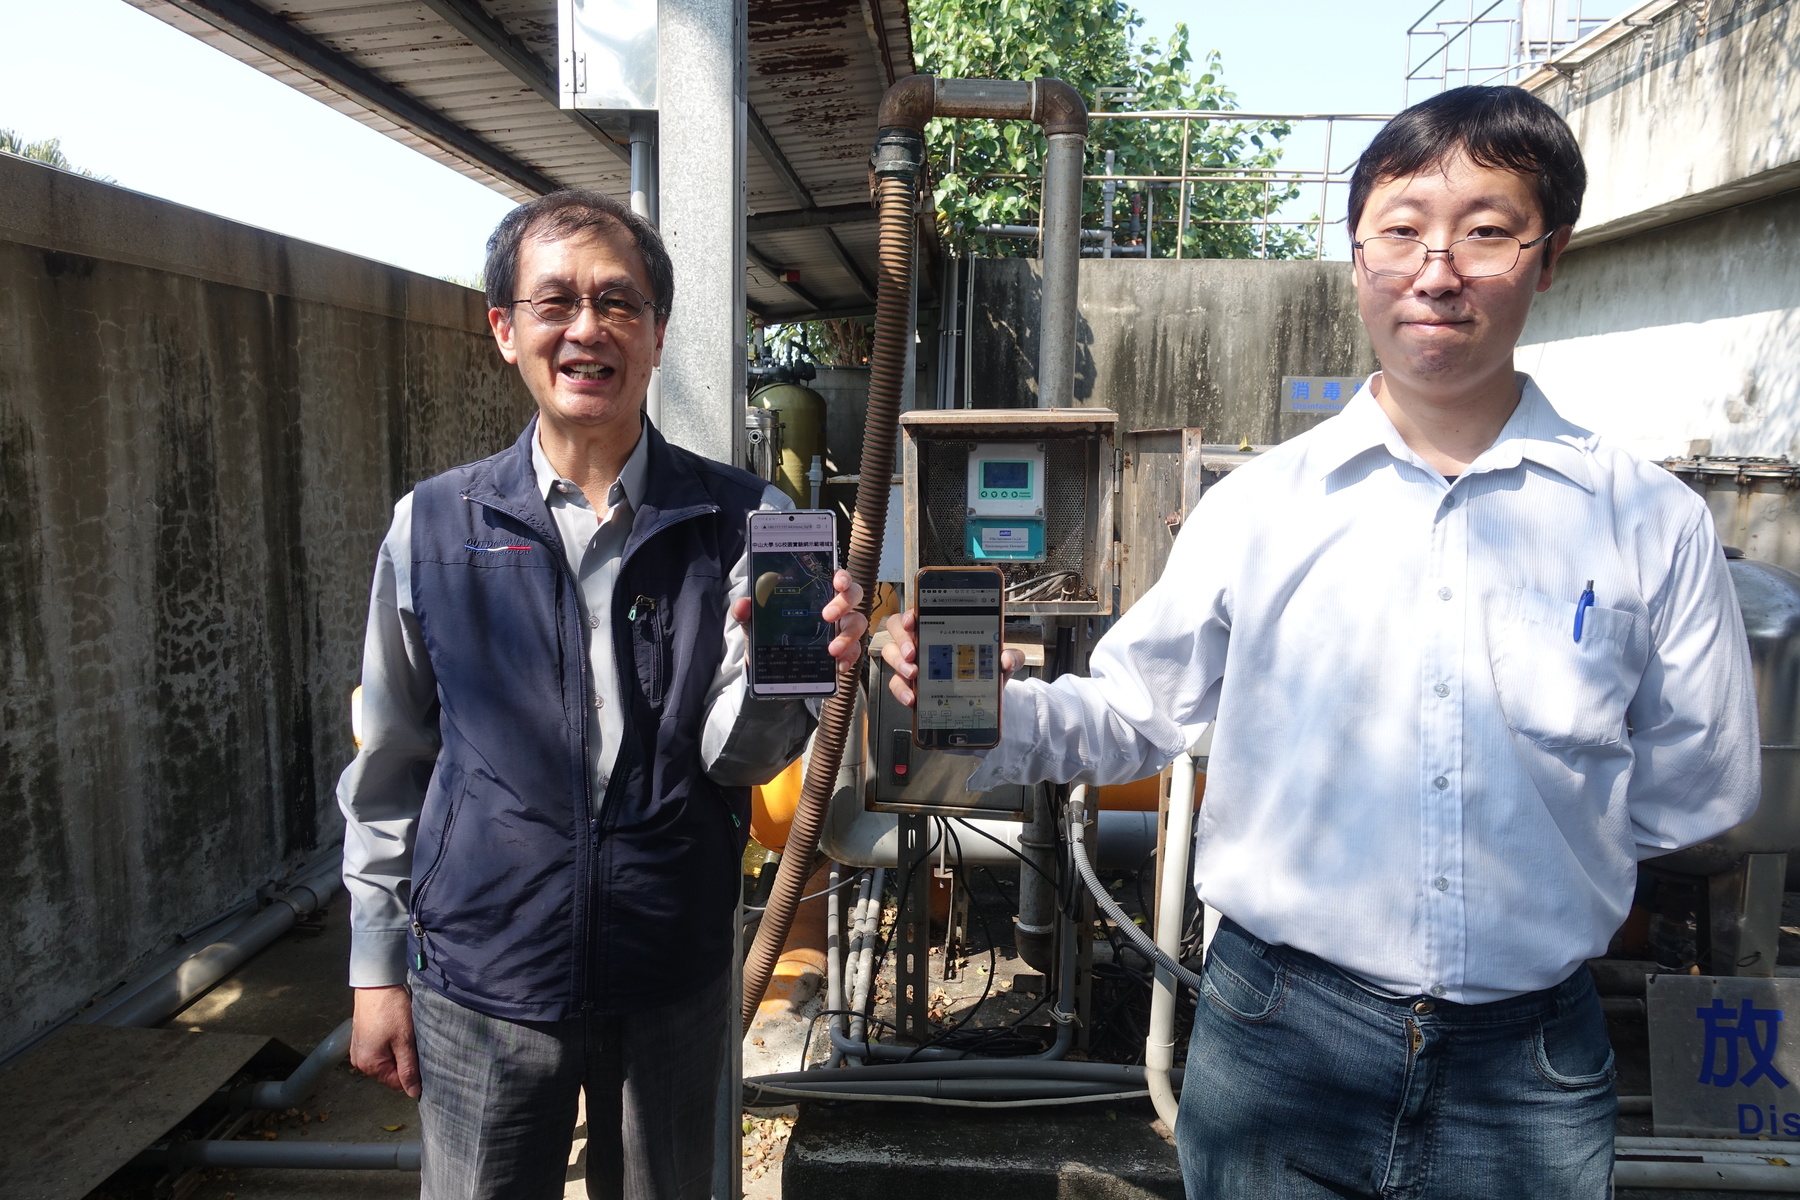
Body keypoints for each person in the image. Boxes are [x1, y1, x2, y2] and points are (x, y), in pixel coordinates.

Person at [882, 85, 1759, 1199]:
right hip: (1278, 1039)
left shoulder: (1645, 521)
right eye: (1401, 230)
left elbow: (1699, 786)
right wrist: (990, 715)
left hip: (1526, 1063)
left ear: (1550, 258)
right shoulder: (1263, 507)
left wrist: (1545, 856)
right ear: (1357, 260)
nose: (1436, 268)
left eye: (1486, 230)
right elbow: (1133, 713)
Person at [337, 189, 867, 1200]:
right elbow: (392, 759)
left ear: (658, 334)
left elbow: (738, 761)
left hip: (671, 967)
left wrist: (787, 674)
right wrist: (373, 965)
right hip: (483, 977)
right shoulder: (432, 526)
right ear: (506, 330)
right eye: (555, 303)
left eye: (619, 303)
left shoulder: (746, 518)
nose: (589, 328)